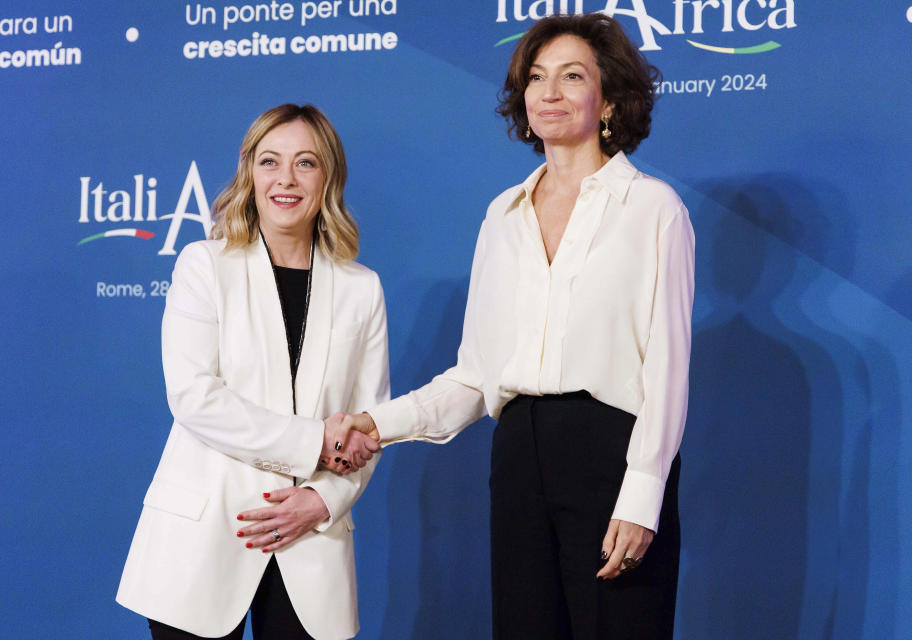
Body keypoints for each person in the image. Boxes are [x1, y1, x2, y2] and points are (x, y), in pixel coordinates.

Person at [344, 13, 694, 639]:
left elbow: (667, 371)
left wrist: (641, 497)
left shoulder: (653, 209)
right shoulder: (501, 217)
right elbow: (476, 376)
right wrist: (378, 424)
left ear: (609, 97)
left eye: (572, 76)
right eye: (536, 77)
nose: (549, 92)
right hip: (518, 461)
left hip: (611, 452)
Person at [117, 104, 389, 640]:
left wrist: (323, 500)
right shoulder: (204, 264)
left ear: (328, 175)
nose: (285, 179)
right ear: (249, 171)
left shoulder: (362, 288)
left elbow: (368, 427)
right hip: (201, 540)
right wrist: (315, 443)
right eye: (270, 161)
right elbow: (195, 397)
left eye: (305, 163)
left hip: (312, 544)